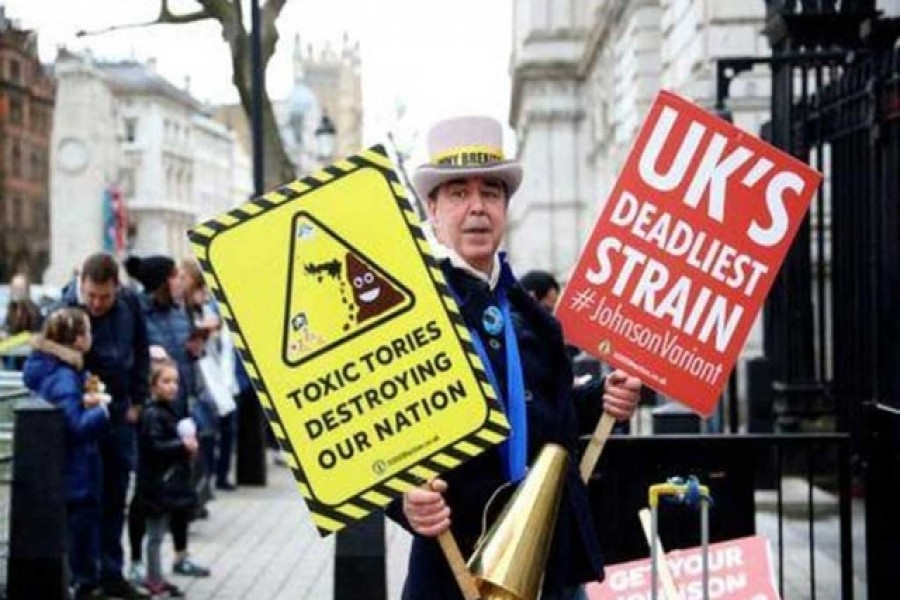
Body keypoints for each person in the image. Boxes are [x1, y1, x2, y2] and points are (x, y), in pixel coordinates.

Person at [388, 115, 642, 599]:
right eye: (459, 193)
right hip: (453, 566)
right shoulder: (409, 312)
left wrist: (598, 401)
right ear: (433, 209)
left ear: (506, 207)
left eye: (491, 193)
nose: (477, 208)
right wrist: (403, 502)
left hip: (545, 559)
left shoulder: (535, 317)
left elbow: (546, 413)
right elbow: (367, 438)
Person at [59, 253, 150, 599]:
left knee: (115, 496)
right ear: (82, 285)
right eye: (91, 296)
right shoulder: (66, 308)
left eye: (104, 297)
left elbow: (141, 352)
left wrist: (138, 403)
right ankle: (84, 577)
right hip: (83, 417)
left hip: (121, 412)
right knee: (84, 502)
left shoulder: (129, 305)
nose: (97, 304)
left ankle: (112, 571)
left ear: (116, 288)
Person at [124, 254, 211, 580]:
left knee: (181, 488)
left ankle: (181, 554)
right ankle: (136, 561)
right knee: (145, 493)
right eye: (174, 276)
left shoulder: (180, 311)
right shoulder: (140, 313)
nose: (179, 281)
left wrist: (194, 348)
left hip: (181, 407)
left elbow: (183, 355)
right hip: (153, 413)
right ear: (162, 281)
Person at [23, 308, 109, 600]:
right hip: (76, 474)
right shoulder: (64, 378)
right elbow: (74, 426)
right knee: (78, 539)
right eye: (88, 331)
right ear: (76, 340)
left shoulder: (54, 370)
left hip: (68, 471)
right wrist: (100, 412)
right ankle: (81, 584)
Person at [137, 358, 196, 598]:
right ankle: (153, 579)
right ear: (153, 385)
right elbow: (154, 446)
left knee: (159, 533)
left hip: (164, 483)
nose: (172, 386)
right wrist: (182, 445)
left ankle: (158, 576)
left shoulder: (167, 411)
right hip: (156, 484)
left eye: (175, 382)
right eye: (166, 381)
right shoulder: (153, 414)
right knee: (155, 535)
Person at [2, 273, 43, 369]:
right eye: (14, 288)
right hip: (11, 354)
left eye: (20, 288)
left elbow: (35, 334)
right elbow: (7, 327)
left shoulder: (34, 312)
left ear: (26, 290)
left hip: (26, 357)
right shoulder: (11, 309)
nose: (16, 291)